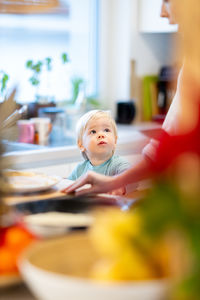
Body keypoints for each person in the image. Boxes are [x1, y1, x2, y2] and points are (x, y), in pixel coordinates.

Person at [63, 0, 199, 196]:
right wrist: (113, 183)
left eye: (167, 1)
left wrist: (117, 181)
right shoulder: (192, 58)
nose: (161, 13)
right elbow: (173, 141)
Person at [67, 110, 131, 194]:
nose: (101, 135)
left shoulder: (118, 165)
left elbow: (133, 180)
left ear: (115, 141)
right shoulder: (79, 170)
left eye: (106, 130)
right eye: (93, 132)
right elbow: (67, 186)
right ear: (81, 145)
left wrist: (120, 188)